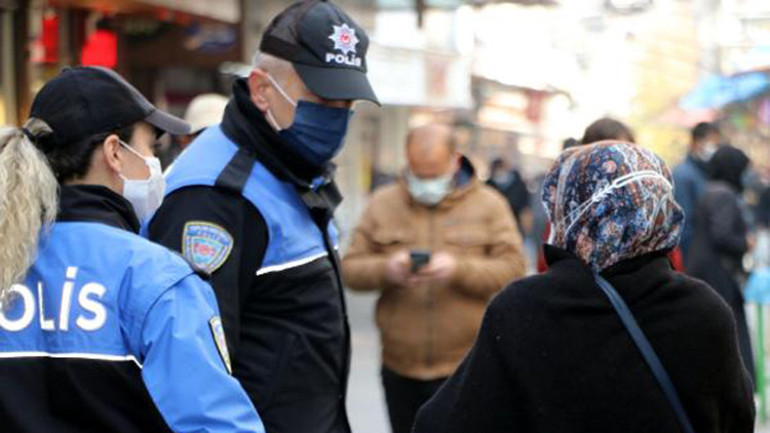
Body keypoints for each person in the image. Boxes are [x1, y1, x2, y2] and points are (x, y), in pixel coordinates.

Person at [145, 1, 379, 432]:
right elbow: (191, 378)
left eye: (346, 102)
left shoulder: (288, 166)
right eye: (322, 98)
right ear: (261, 89)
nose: (336, 115)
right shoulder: (215, 197)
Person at [413, 142, 755, 433]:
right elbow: (737, 420)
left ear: (571, 209)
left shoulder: (524, 309)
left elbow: (443, 424)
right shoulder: (703, 309)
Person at [0, 66, 264, 433]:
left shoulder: (8, 258)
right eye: (151, 147)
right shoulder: (157, 279)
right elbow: (217, 425)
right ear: (114, 152)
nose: (157, 163)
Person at [342, 123, 526, 433]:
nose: (425, 183)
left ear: (455, 161)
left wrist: (458, 269)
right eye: (418, 174)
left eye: (434, 175)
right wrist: (387, 269)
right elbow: (349, 269)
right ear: (406, 161)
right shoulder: (383, 203)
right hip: (399, 367)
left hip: (465, 367)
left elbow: (513, 269)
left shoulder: (490, 205)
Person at [687, 145, 755, 384]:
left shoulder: (711, 190)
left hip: (708, 271)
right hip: (719, 274)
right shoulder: (723, 194)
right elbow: (723, 234)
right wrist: (746, 243)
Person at [673, 122, 720, 263]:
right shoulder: (683, 175)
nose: (714, 149)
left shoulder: (705, 172)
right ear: (696, 142)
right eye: (711, 143)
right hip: (696, 257)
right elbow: (684, 222)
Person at [161, 93, 229, 168]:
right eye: (203, 135)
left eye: (222, 136)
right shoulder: (174, 176)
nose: (213, 143)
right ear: (185, 141)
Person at [487, 157, 531, 236]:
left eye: (501, 168)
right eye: (496, 169)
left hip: (514, 226)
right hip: (492, 227)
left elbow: (525, 209)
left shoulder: (519, 185)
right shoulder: (488, 185)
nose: (499, 173)